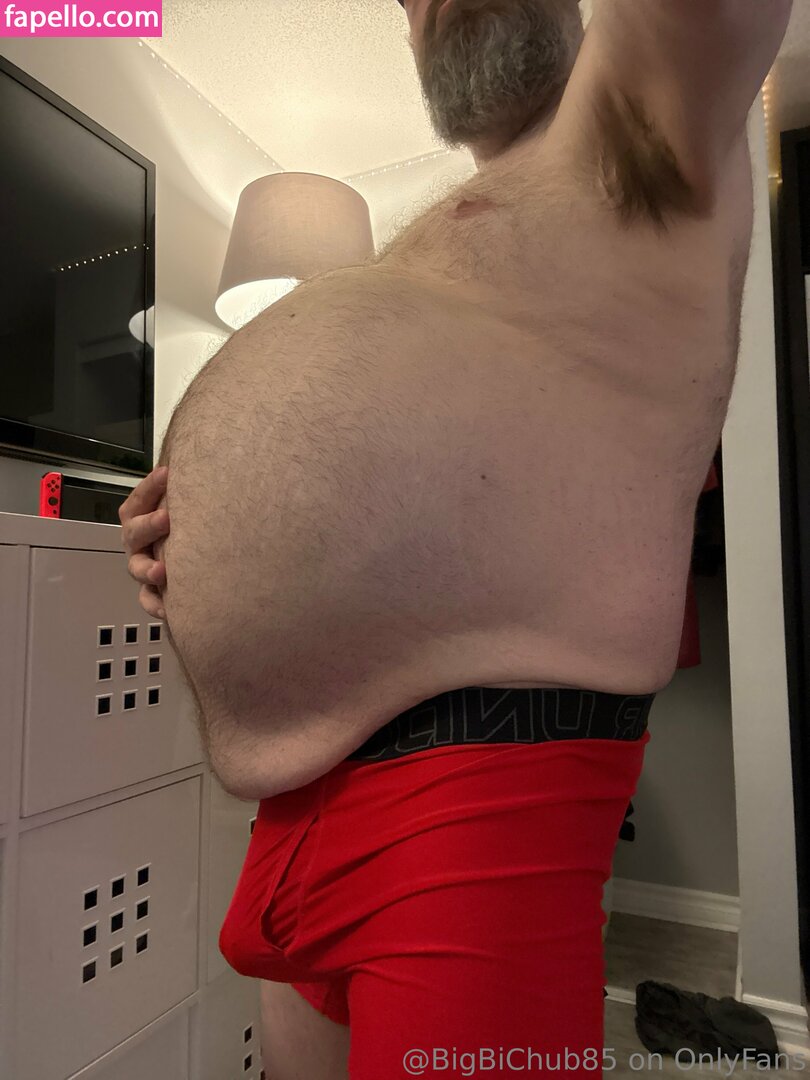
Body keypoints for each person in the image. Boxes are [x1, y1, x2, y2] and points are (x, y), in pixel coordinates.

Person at [120, 2, 792, 1076]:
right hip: (297, 797)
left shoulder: (640, 124)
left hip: (477, 790)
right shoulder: (440, 243)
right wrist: (199, 542)